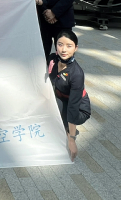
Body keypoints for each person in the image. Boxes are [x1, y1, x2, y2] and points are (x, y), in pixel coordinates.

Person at [47, 30, 91, 162]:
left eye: (69, 46)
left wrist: (71, 139)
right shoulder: (52, 59)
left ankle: (68, 129)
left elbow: (73, 106)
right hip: (61, 98)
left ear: (76, 48)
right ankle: (62, 122)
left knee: (59, 114)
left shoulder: (76, 74)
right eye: (60, 44)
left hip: (79, 107)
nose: (64, 49)